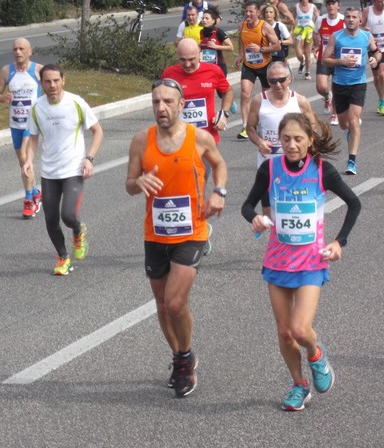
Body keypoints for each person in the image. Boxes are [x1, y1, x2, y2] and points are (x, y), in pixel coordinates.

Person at [241, 112, 361, 411]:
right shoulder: (270, 169)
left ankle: (316, 354)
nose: (291, 145)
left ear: (309, 140)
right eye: (286, 139)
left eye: (297, 139)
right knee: (283, 331)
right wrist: (255, 218)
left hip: (310, 262)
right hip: (277, 262)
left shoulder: (322, 170)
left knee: (299, 329)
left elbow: (354, 203)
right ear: (278, 140)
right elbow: (247, 205)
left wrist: (338, 242)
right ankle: (299, 385)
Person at [125, 78, 227, 398]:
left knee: (175, 301)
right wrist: (138, 181)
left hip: (191, 230)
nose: (161, 108)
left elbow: (219, 164)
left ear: (181, 104)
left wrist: (219, 192)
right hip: (155, 232)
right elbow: (128, 183)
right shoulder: (142, 140)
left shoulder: (199, 138)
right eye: (156, 102)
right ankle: (181, 355)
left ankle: (183, 359)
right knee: (161, 304)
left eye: (168, 101)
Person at [23, 64, 104, 276]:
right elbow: (33, 139)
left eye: (56, 81)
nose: (52, 85)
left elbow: (97, 132)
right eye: (47, 81)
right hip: (49, 172)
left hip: (74, 169)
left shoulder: (76, 102)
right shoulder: (37, 108)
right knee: (50, 219)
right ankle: (63, 258)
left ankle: (78, 230)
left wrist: (89, 159)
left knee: (68, 215)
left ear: (63, 80)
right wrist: (29, 160)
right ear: (41, 84)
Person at [162, 37, 233, 255]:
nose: (188, 64)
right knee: (181, 190)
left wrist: (224, 113)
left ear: (200, 55)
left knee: (195, 187)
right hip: (178, 142)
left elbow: (227, 92)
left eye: (192, 59)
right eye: (183, 60)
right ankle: (199, 228)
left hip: (205, 142)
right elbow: (162, 101)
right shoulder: (169, 74)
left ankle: (197, 233)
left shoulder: (212, 71)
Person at [246, 61, 315, 215]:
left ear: (289, 79)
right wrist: (259, 141)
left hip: (295, 166)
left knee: (295, 211)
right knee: (269, 214)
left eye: (281, 80)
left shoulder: (300, 101)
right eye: (272, 81)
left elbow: (313, 129)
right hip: (268, 166)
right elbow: (250, 128)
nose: (277, 85)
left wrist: (305, 149)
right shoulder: (259, 100)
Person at [322, 6, 381, 175]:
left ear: (359, 20)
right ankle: (351, 130)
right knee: (344, 124)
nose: (351, 19)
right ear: (344, 19)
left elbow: (377, 52)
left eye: (354, 17)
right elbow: (325, 60)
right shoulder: (336, 37)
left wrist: (374, 60)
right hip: (340, 85)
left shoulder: (366, 36)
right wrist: (341, 61)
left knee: (354, 120)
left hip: (358, 84)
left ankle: (351, 162)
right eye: (347, 17)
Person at [0, 38, 44, 219]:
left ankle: (29, 200)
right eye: (15, 49)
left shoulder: (38, 70)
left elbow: (54, 89)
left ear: (30, 51)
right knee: (23, 162)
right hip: (15, 123)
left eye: (22, 49)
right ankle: (35, 191)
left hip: (31, 124)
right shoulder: (7, 71)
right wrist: (3, 97)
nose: (18, 52)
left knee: (24, 156)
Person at [234, 1, 282, 140]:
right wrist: (240, 54)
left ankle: (267, 123)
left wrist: (260, 49)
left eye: (251, 12)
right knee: (244, 94)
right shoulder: (241, 25)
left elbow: (277, 46)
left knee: (267, 97)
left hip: (265, 65)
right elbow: (241, 41)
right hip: (249, 65)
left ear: (257, 13)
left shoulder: (265, 27)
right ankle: (245, 126)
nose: (248, 14)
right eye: (246, 12)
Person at [200, 5, 238, 115]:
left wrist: (216, 47)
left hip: (219, 66)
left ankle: (229, 102)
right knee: (207, 89)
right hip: (207, 67)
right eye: (203, 18)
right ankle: (209, 112)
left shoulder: (218, 32)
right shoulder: (202, 32)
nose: (204, 20)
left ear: (213, 21)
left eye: (207, 18)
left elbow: (231, 47)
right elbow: (203, 46)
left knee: (221, 92)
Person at [313, 0, 344, 125]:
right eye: (329, 4)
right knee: (321, 87)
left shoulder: (343, 20)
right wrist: (317, 45)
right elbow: (315, 33)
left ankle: (335, 114)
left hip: (338, 59)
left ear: (338, 6)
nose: (331, 6)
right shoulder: (321, 20)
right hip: (324, 58)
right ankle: (327, 97)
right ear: (326, 6)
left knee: (336, 87)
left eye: (333, 3)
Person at [361, 0, 384, 115]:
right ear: (374, 1)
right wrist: (364, 28)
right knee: (376, 76)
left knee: (382, 74)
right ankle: (381, 100)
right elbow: (360, 26)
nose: (383, 3)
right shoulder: (367, 11)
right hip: (373, 48)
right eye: (380, 1)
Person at [293, 0, 320, 80]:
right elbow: (292, 19)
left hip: (309, 30)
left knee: (307, 52)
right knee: (298, 52)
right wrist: (292, 30)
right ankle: (302, 62)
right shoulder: (296, 6)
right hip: (300, 30)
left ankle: (307, 73)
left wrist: (318, 31)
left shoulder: (312, 7)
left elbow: (318, 19)